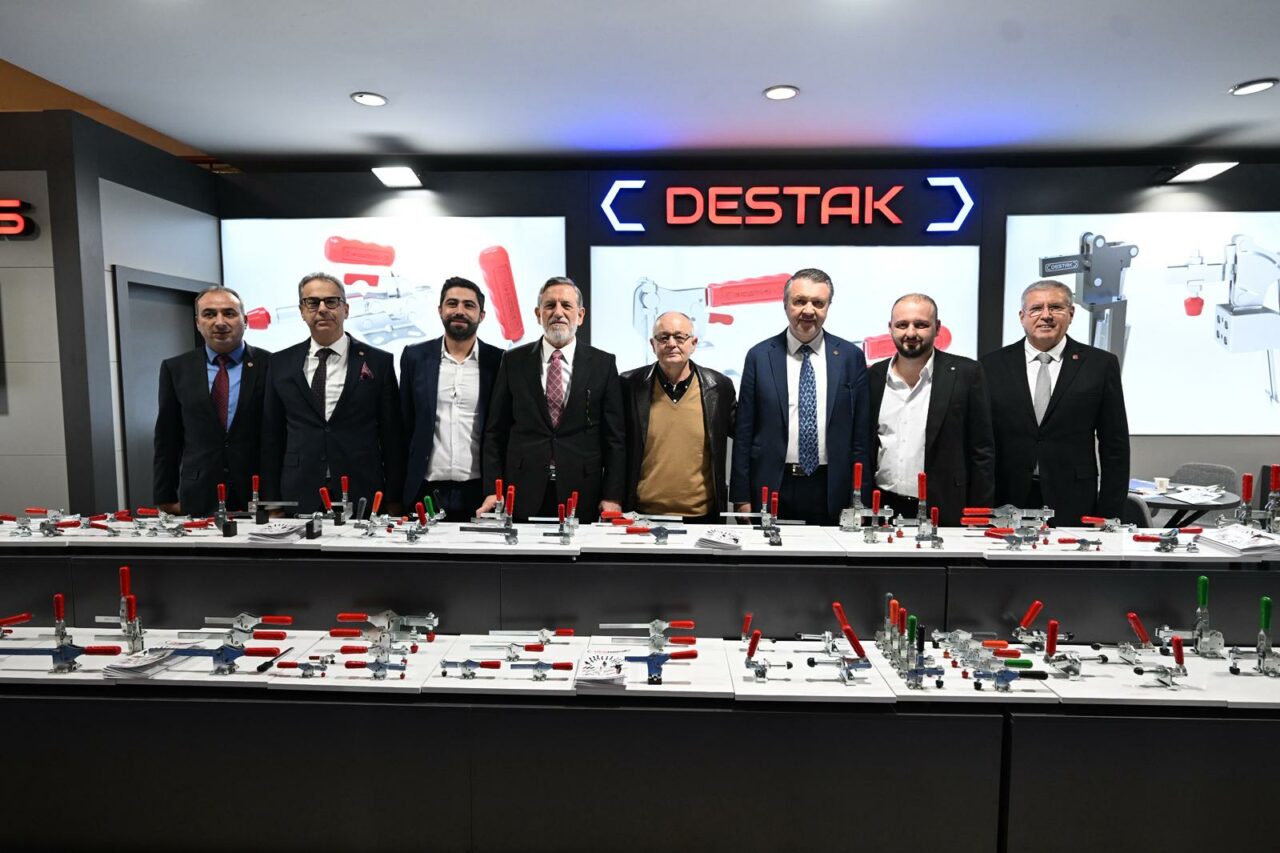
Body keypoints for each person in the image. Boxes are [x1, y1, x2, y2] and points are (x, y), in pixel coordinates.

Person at [981, 279, 1130, 524]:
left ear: (1071, 314)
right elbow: (979, 442)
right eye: (1036, 308)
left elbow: (1115, 446)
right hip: (1006, 497)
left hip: (1074, 499)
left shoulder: (1100, 365)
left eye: (1056, 307)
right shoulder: (990, 366)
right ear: (1022, 317)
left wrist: (1110, 514)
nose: (1046, 315)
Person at [730, 268, 870, 525]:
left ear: (828, 307)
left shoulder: (850, 357)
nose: (808, 310)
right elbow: (744, 434)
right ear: (785, 304)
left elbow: (861, 436)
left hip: (831, 487)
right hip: (773, 484)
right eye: (800, 301)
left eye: (818, 303)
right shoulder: (759, 356)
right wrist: (740, 496)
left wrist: (861, 500)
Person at [479, 276, 625, 522]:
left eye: (566, 305)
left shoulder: (603, 364)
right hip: (522, 490)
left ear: (580, 315)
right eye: (550, 305)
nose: (558, 312)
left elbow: (615, 439)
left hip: (583, 491)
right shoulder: (513, 361)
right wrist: (493, 490)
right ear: (538, 314)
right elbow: (495, 432)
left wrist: (613, 496)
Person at [260, 272, 405, 516]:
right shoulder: (280, 363)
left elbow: (392, 436)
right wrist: (272, 502)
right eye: (312, 302)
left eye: (331, 301)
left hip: (362, 489)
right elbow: (271, 437)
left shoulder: (378, 362)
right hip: (299, 489)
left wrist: (394, 499)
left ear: (345, 309)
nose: (322, 309)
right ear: (302, 311)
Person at [866, 293, 994, 526]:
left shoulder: (967, 373)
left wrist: (978, 516)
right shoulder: (874, 376)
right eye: (902, 325)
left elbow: (982, 452)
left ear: (937, 328)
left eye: (921, 324)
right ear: (890, 328)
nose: (911, 333)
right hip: (883, 506)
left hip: (945, 509)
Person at [153, 286, 270, 516]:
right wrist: (164, 496)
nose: (220, 322)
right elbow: (167, 438)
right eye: (209, 314)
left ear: (245, 320)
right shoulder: (176, 369)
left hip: (258, 492)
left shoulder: (270, 365)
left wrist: (277, 499)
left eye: (229, 313)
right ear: (198, 322)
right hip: (199, 493)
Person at [399, 277, 503, 518]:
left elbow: (501, 430)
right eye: (452, 303)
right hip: (424, 489)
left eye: (469, 305)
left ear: (482, 315)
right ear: (440, 310)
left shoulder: (499, 361)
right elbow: (404, 425)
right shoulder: (415, 357)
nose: (459, 311)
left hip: (480, 491)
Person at [620, 311, 736, 522]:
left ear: (694, 343)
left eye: (680, 337)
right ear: (652, 344)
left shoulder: (719, 387)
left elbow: (745, 439)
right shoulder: (629, 385)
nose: (671, 344)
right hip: (642, 515)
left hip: (701, 517)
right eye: (663, 337)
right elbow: (613, 447)